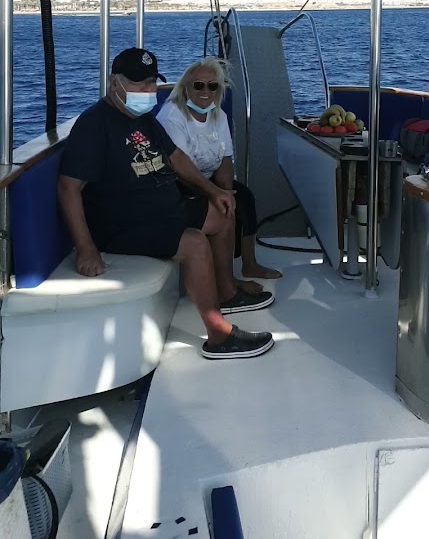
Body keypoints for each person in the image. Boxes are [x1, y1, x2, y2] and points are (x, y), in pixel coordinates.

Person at [57, 47, 275, 360]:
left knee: (223, 211)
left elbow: (176, 158)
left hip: (161, 210)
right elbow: (68, 188)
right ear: (113, 83)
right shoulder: (94, 125)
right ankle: (218, 335)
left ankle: (226, 292)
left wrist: (213, 192)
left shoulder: (143, 119)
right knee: (194, 242)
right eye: (138, 83)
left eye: (150, 82)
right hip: (123, 224)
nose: (147, 90)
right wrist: (85, 248)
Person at [157, 56, 282, 281]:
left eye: (212, 86)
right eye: (198, 85)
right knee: (218, 205)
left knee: (243, 197)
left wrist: (225, 190)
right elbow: (180, 167)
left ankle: (249, 265)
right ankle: (224, 280)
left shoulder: (218, 115)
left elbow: (225, 159)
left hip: (206, 180)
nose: (205, 91)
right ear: (185, 88)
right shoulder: (172, 116)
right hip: (177, 183)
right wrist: (213, 193)